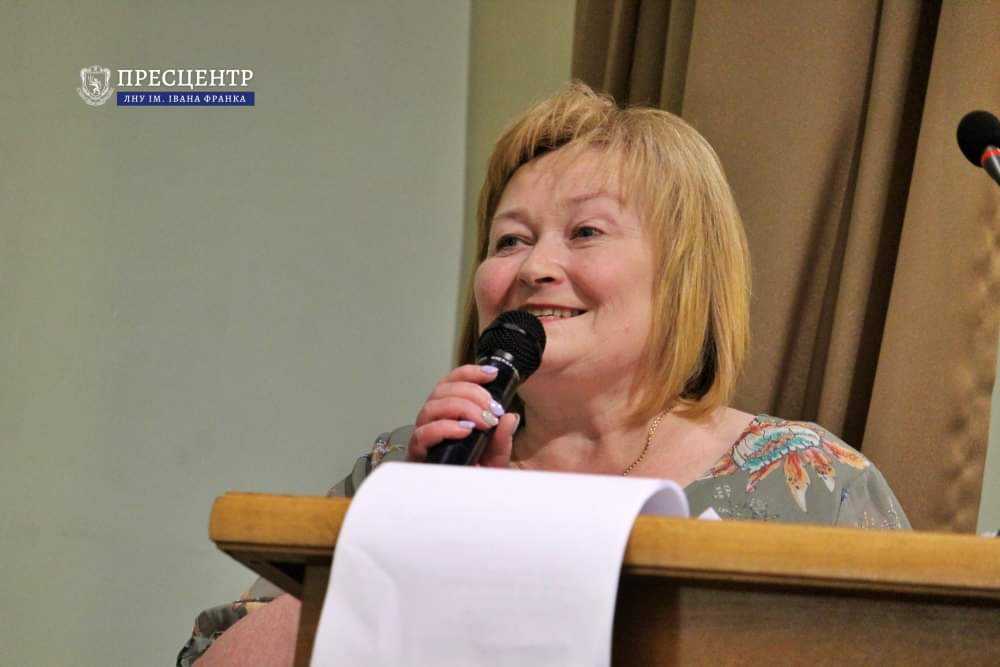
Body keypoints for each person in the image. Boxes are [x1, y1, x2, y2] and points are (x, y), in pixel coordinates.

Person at [179, 81, 909, 666]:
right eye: (509, 240)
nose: (535, 266)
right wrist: (418, 527)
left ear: (684, 276)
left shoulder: (809, 482)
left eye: (586, 231)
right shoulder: (408, 469)